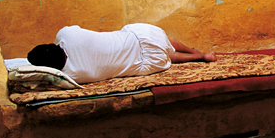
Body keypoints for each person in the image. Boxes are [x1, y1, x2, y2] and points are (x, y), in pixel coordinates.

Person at [27, 23, 216, 84]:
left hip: (145, 62)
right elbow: (65, 36)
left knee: (167, 57)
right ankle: (195, 51)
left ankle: (198, 57)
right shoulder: (66, 34)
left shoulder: (74, 75)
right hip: (138, 37)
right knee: (165, 42)